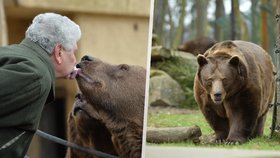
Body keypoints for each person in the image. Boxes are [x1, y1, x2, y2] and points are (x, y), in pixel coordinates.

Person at [0, 12, 81, 157]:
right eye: (73, 52)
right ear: (59, 52)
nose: (75, 60)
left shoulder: (10, 52)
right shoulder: (37, 76)